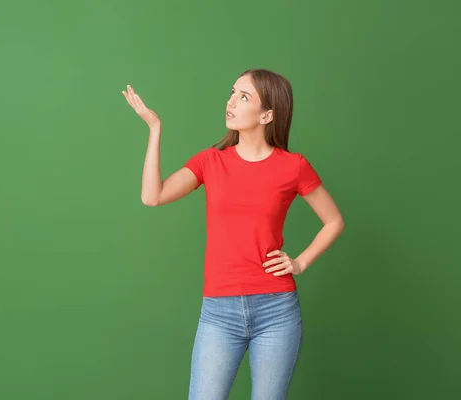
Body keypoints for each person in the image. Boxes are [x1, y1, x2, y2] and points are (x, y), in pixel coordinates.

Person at [122, 68, 345, 400]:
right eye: (232, 93)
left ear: (267, 114)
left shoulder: (293, 166)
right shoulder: (211, 161)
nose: (231, 102)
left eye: (244, 97)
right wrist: (154, 129)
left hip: (277, 310)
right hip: (218, 312)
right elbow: (152, 196)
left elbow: (333, 221)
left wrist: (299, 262)